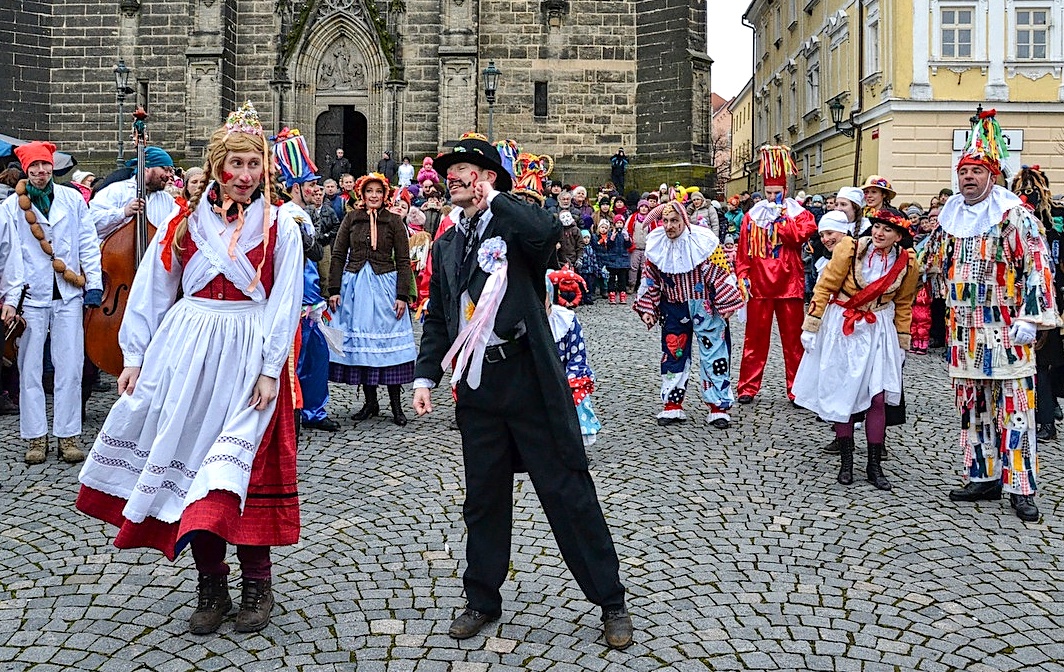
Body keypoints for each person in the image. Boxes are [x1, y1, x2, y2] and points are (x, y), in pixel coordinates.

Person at [76, 101, 304, 634]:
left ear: (265, 169)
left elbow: (285, 301)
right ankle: (211, 583)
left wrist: (270, 367)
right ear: (218, 167)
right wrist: (135, 356)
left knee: (239, 471)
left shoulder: (281, 226)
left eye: (253, 164)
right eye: (235, 164)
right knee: (193, 471)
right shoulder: (183, 224)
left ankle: (258, 583)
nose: (244, 175)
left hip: (248, 354)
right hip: (188, 353)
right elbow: (152, 291)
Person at [411, 133, 632, 649]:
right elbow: (440, 315)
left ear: (487, 178)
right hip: (478, 385)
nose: (451, 177)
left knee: (567, 490)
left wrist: (496, 199)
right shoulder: (447, 243)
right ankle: (481, 599)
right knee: (483, 499)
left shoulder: (514, 227)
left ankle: (610, 600)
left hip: (529, 378)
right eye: (448, 170)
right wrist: (425, 377)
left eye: (463, 169)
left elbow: (547, 231)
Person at [928, 110, 1058, 522]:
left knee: (1016, 408)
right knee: (973, 407)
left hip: (1006, 330)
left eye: (976, 171)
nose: (968, 177)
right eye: (963, 171)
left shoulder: (1014, 215)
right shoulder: (949, 217)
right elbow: (932, 263)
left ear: (993, 176)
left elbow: (1038, 266)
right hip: (964, 334)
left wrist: (1031, 318)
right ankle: (982, 476)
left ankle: (1021, 485)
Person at [793, 210, 919, 491]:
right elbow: (825, 286)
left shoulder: (908, 263)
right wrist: (812, 325)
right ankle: (846, 462)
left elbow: (904, 303)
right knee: (845, 394)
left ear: (899, 236)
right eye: (877, 226)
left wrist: (902, 341)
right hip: (844, 326)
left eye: (887, 229)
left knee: (878, 397)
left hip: (879, 328)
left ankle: (874, 465)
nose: (879, 233)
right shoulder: (850, 249)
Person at [2, 142, 102, 464]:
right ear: (26, 170)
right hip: (31, 295)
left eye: (45, 165)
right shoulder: (11, 207)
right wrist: (11, 298)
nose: (40, 171)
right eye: (34, 167)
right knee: (29, 368)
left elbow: (87, 241)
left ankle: (68, 434)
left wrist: (94, 284)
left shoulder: (72, 199)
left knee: (70, 366)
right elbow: (9, 253)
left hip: (68, 293)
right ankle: (35, 436)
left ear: (52, 167)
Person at [633, 200, 743, 428]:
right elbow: (649, 279)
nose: (669, 226)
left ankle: (718, 406)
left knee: (714, 353)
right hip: (673, 306)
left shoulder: (703, 241)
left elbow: (721, 272)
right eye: (665, 221)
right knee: (673, 353)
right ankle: (672, 404)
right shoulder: (656, 244)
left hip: (705, 306)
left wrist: (726, 303)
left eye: (674, 221)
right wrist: (648, 307)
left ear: (684, 220)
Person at [328, 172, 415, 427]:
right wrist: (334, 289)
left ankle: (396, 405)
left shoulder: (394, 221)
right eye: (369, 191)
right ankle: (370, 402)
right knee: (364, 345)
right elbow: (338, 254)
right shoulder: (351, 218)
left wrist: (402, 295)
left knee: (387, 344)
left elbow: (403, 260)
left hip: (384, 285)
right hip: (356, 285)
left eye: (378, 191)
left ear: (385, 195)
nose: (373, 196)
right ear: (362, 194)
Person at [733, 145, 817, 403]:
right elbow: (743, 251)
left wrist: (781, 221)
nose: (772, 198)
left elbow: (799, 237)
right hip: (759, 285)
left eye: (776, 193)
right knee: (754, 339)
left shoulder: (799, 214)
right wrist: (742, 276)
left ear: (785, 190)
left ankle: (797, 389)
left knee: (794, 341)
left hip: (789, 284)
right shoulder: (752, 216)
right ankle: (747, 387)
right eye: (768, 193)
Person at [272, 128, 340, 433]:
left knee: (316, 357)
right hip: (298, 299)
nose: (317, 189)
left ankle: (314, 410)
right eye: (311, 184)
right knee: (297, 360)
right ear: (296, 187)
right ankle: (294, 411)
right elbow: (306, 255)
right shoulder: (288, 214)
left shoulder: (302, 213)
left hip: (311, 298)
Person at [1010, 165, 1064, 441]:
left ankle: (1046, 419)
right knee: (1037, 363)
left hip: (1042, 299)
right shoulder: (1016, 217)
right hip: (1030, 298)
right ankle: (1045, 409)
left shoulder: (1049, 220)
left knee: (1040, 363)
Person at [546, 269, 600, 446]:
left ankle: (575, 443)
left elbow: (577, 356)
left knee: (576, 397)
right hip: (534, 379)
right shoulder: (523, 323)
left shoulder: (566, 320)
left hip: (566, 377)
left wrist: (568, 381)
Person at [88, 146, 180, 242]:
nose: (169, 175)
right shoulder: (116, 190)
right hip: (117, 250)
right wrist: (123, 212)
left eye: (171, 171)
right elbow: (91, 222)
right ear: (147, 168)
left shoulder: (167, 199)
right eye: (166, 170)